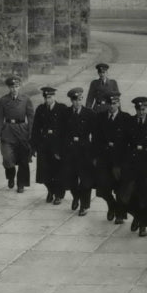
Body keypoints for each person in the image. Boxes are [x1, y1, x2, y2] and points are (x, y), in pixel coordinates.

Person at [93, 92, 130, 223]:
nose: (112, 106)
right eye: (110, 103)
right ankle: (111, 205)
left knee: (120, 188)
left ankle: (120, 214)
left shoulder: (126, 118)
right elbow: (96, 139)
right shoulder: (100, 117)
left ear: (119, 103)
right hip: (104, 158)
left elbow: (129, 141)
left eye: (114, 103)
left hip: (119, 160)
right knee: (102, 188)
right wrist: (96, 156)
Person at [0, 76, 34, 193]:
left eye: (16, 86)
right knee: (7, 157)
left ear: (20, 86)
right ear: (8, 88)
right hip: (7, 131)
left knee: (23, 159)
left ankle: (21, 184)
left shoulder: (26, 99)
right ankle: (11, 176)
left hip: (22, 131)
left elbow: (31, 117)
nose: (14, 89)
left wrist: (32, 133)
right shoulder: (3, 100)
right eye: (12, 87)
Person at [126, 97, 147, 237]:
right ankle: (137, 216)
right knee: (127, 196)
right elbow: (125, 142)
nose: (141, 112)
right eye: (138, 109)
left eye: (143, 109)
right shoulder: (130, 122)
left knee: (144, 197)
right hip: (133, 165)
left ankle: (143, 225)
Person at [62, 87, 96, 215]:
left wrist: (94, 152)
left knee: (85, 180)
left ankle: (84, 205)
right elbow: (62, 132)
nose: (77, 102)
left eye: (80, 99)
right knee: (70, 179)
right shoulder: (66, 113)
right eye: (75, 100)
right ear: (71, 100)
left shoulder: (90, 113)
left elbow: (95, 134)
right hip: (70, 150)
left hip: (84, 151)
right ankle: (76, 196)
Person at [32, 86, 68, 203]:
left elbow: (66, 130)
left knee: (58, 171)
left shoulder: (62, 109)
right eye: (45, 97)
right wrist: (34, 146)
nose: (47, 100)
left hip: (57, 146)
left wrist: (63, 148)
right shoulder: (40, 109)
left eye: (50, 97)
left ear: (54, 96)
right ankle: (51, 190)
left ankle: (58, 194)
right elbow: (35, 128)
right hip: (43, 145)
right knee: (43, 171)